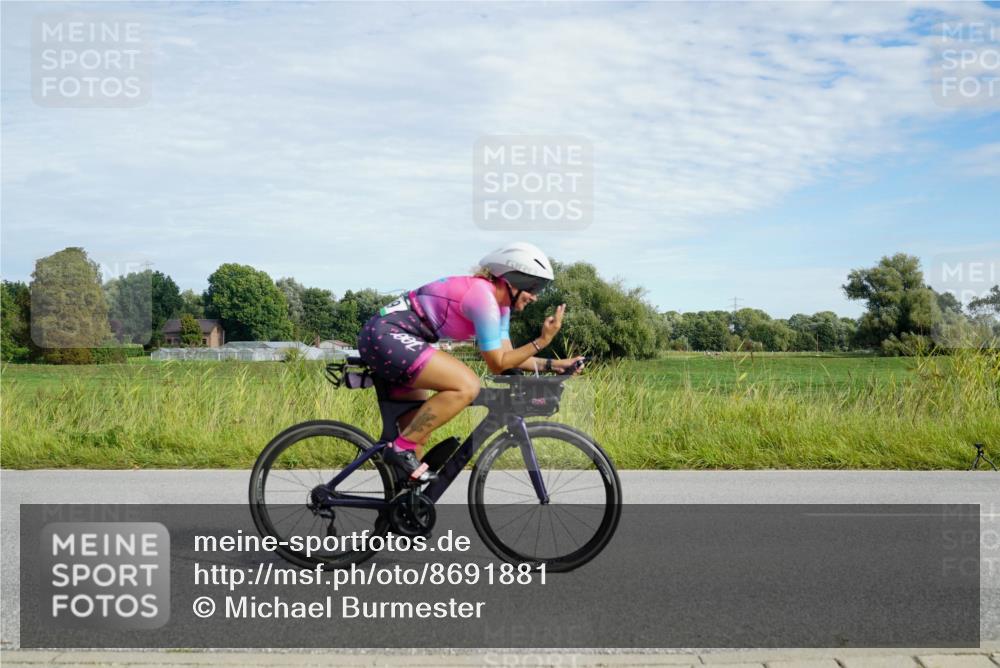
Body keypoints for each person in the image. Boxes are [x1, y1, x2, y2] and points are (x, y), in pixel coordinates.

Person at [356, 242, 585, 482]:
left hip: (395, 337)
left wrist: (556, 365)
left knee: (416, 430)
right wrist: (543, 340)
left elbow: (507, 358)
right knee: (466, 386)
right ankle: (400, 449)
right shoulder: (482, 297)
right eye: (533, 286)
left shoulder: (500, 308)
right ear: (511, 279)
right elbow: (497, 364)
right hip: (387, 335)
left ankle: (402, 505)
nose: (535, 296)